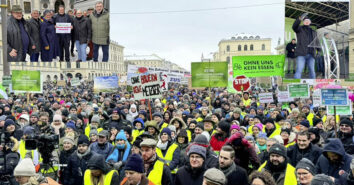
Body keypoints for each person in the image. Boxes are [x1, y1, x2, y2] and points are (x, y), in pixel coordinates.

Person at [293, 13, 318, 79]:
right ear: (303, 22)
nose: (307, 21)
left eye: (308, 20)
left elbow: (316, 42)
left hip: (311, 54)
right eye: (305, 20)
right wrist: (299, 19)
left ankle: (313, 85)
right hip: (301, 54)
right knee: (299, 70)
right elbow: (294, 27)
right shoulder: (299, 29)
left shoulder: (314, 31)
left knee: (312, 71)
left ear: (310, 22)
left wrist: (319, 51)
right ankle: (296, 85)